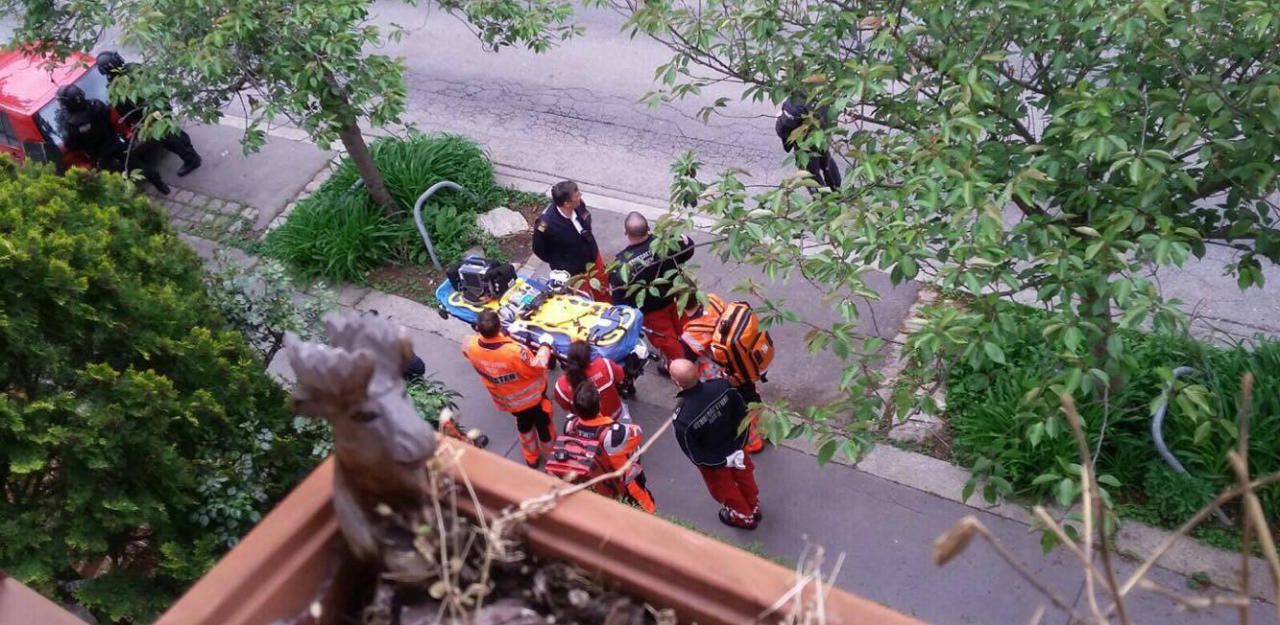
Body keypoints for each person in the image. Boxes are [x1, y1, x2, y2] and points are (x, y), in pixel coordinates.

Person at [669, 359, 760, 529]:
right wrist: (739, 445)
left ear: (676, 382)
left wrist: (720, 462)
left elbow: (695, 455)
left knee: (726, 490)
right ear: (697, 371)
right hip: (737, 448)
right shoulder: (723, 386)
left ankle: (743, 518)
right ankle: (754, 507)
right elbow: (743, 416)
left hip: (716, 462)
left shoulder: (682, 418)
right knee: (746, 478)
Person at [462, 310, 557, 466]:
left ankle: (531, 458)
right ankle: (551, 459)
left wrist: (506, 334)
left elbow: (476, 353)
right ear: (499, 325)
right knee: (545, 429)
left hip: (509, 402)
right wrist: (545, 345)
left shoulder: (470, 345)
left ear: (478, 328)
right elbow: (538, 366)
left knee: (524, 427)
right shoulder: (514, 352)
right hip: (534, 401)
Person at [609, 212, 696, 370]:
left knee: (668, 343)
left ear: (625, 232)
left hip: (651, 312)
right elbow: (688, 248)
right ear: (648, 228)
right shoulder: (666, 243)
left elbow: (620, 301)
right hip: (677, 298)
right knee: (687, 329)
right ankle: (693, 355)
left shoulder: (621, 265)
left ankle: (681, 369)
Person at [96, 50, 203, 177]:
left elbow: (123, 109)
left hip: (148, 116)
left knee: (169, 138)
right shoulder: (133, 68)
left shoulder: (116, 86)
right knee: (172, 133)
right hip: (157, 107)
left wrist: (136, 123)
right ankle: (190, 154)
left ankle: (191, 158)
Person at [55, 85, 170, 194]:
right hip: (115, 142)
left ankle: (133, 194)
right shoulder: (96, 105)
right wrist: (123, 133)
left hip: (99, 155)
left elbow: (71, 145)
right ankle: (160, 185)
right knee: (138, 165)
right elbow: (112, 118)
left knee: (116, 178)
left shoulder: (69, 124)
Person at [563, 382, 656, 513]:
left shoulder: (570, 425)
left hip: (591, 482)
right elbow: (637, 433)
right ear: (599, 404)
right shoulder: (615, 434)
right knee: (647, 511)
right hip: (624, 485)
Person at [531, 180, 610, 302]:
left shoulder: (578, 204)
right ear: (567, 203)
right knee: (583, 299)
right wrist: (560, 261)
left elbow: (586, 219)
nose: (580, 196)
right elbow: (539, 249)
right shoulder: (546, 224)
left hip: (593, 258)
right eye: (577, 196)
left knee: (603, 289)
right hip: (574, 273)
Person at [775, 94, 841, 191]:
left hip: (805, 140)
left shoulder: (798, 98)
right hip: (823, 131)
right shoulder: (825, 92)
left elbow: (784, 127)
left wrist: (781, 118)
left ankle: (823, 196)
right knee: (825, 159)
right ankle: (837, 190)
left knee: (809, 172)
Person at [553, 340, 630, 422]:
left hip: (587, 426)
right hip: (615, 417)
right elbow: (620, 376)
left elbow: (565, 406)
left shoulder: (561, 386)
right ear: (589, 355)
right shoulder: (605, 365)